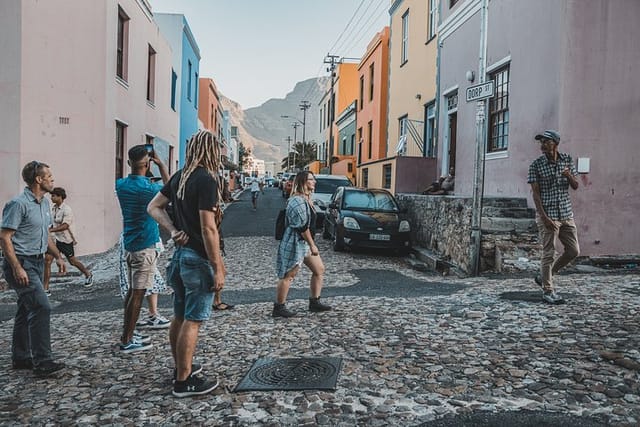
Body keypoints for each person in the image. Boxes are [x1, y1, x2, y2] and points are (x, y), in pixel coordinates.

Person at [147, 129, 225, 397]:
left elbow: (154, 207)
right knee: (193, 320)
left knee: (179, 316)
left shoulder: (181, 177)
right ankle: (184, 382)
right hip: (197, 259)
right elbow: (208, 228)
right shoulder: (205, 180)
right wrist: (218, 266)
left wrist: (172, 229)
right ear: (211, 151)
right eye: (218, 151)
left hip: (180, 258)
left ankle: (182, 367)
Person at [0, 161, 67, 376]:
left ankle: (21, 357)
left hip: (37, 262)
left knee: (25, 308)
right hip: (22, 262)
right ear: (38, 179)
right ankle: (43, 362)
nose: (52, 180)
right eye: (49, 176)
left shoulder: (45, 204)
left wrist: (57, 256)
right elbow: (4, 237)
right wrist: (17, 267)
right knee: (41, 306)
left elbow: (45, 234)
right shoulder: (18, 204)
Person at [115, 145, 170, 353]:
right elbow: (170, 187)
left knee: (131, 292)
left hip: (129, 244)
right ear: (147, 164)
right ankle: (127, 340)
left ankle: (127, 332)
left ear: (129, 163)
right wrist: (161, 164)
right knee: (138, 293)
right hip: (145, 246)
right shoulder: (149, 189)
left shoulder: (120, 185)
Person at [528, 129, 580, 304]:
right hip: (548, 214)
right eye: (541, 142)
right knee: (549, 253)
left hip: (566, 213)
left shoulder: (567, 160)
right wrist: (544, 218)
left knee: (573, 251)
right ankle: (548, 291)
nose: (542, 145)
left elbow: (575, 185)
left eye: (546, 141)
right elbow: (535, 194)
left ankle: (544, 276)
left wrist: (568, 175)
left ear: (555, 144)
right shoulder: (536, 165)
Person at [273, 171, 331, 318]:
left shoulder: (308, 199)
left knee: (319, 269)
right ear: (303, 182)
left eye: (314, 179)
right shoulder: (297, 201)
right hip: (296, 242)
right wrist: (312, 245)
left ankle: (315, 302)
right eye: (311, 179)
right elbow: (302, 227)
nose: (314, 182)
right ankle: (279, 307)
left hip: (304, 243)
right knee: (289, 274)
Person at [43, 187, 93, 296]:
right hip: (54, 239)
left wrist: (50, 229)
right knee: (47, 260)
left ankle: (88, 274)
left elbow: (65, 226)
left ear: (60, 197)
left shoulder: (67, 210)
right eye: (51, 195)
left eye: (53, 196)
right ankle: (45, 288)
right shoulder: (54, 209)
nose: (51, 198)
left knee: (72, 261)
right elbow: (52, 223)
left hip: (65, 240)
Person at [116, 233, 171, 330]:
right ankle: (131, 323)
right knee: (137, 282)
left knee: (149, 277)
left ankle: (150, 315)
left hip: (146, 237)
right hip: (140, 238)